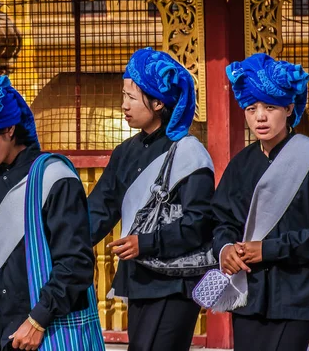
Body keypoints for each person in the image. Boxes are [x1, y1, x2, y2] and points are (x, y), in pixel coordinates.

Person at [0, 70, 104, 351]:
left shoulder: (54, 177)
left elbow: (75, 263)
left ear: (9, 129)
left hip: (42, 332)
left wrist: (38, 319)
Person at [89, 48, 216, 351]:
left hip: (175, 282)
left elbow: (198, 223)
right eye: (124, 96)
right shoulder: (125, 152)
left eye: (131, 98)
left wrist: (144, 243)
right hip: (140, 278)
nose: (123, 106)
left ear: (158, 102)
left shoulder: (189, 152)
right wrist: (61, 240)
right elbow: (100, 208)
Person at [211, 53, 309, 351]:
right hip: (249, 292)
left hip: (296, 292)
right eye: (252, 108)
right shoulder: (240, 164)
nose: (260, 117)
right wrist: (225, 248)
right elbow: (221, 220)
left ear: (289, 108)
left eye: (270, 107)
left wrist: (268, 249)